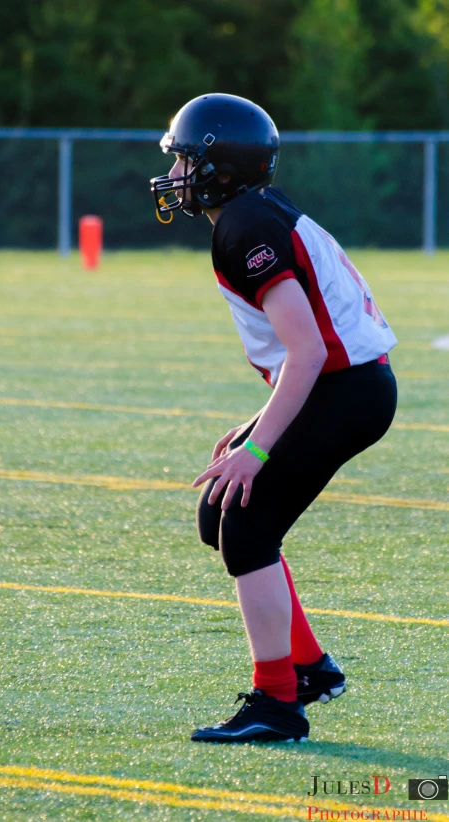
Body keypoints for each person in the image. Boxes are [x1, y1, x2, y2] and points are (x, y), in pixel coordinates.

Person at [151, 93, 397, 743]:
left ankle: (277, 703)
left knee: (247, 528)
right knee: (219, 515)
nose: (175, 175)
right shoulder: (255, 213)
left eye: (183, 160)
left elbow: (310, 349)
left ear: (218, 166)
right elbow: (314, 346)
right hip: (346, 386)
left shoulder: (243, 226)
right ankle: (310, 667)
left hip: (344, 390)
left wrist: (258, 449)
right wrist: (254, 428)